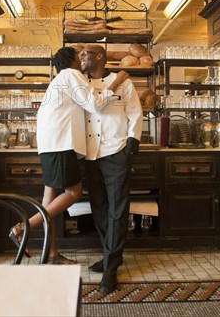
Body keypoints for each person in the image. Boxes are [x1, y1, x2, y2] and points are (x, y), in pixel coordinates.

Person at [9, 46, 129, 264]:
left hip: (49, 144)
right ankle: (22, 228)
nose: (82, 59)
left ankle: (52, 254)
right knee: (73, 192)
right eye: (79, 56)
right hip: (61, 144)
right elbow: (94, 105)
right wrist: (117, 80)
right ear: (72, 61)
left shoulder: (59, 80)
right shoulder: (70, 75)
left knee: (50, 200)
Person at [80, 44, 143, 294]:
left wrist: (132, 143)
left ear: (100, 57)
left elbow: (136, 112)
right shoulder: (79, 82)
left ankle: (111, 268)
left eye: (86, 54)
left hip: (116, 151)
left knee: (117, 210)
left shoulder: (123, 82)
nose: (82, 58)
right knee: (99, 209)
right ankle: (111, 256)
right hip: (89, 153)